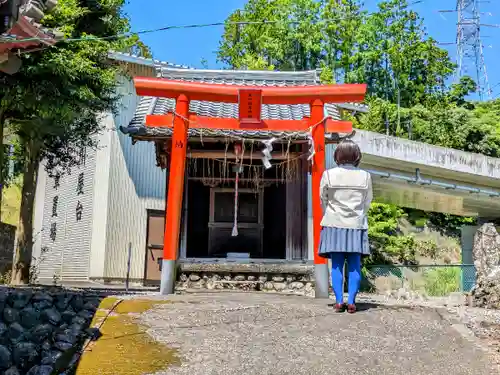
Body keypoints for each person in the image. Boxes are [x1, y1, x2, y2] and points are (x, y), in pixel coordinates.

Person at [318, 139, 373, 314]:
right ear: (357, 156)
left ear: (337, 155)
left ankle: (339, 301)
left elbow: (323, 198)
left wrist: (330, 212)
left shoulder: (328, 174)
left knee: (336, 265)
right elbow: (367, 202)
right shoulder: (365, 176)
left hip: (334, 223)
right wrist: (357, 213)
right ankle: (351, 302)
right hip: (356, 224)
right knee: (355, 265)